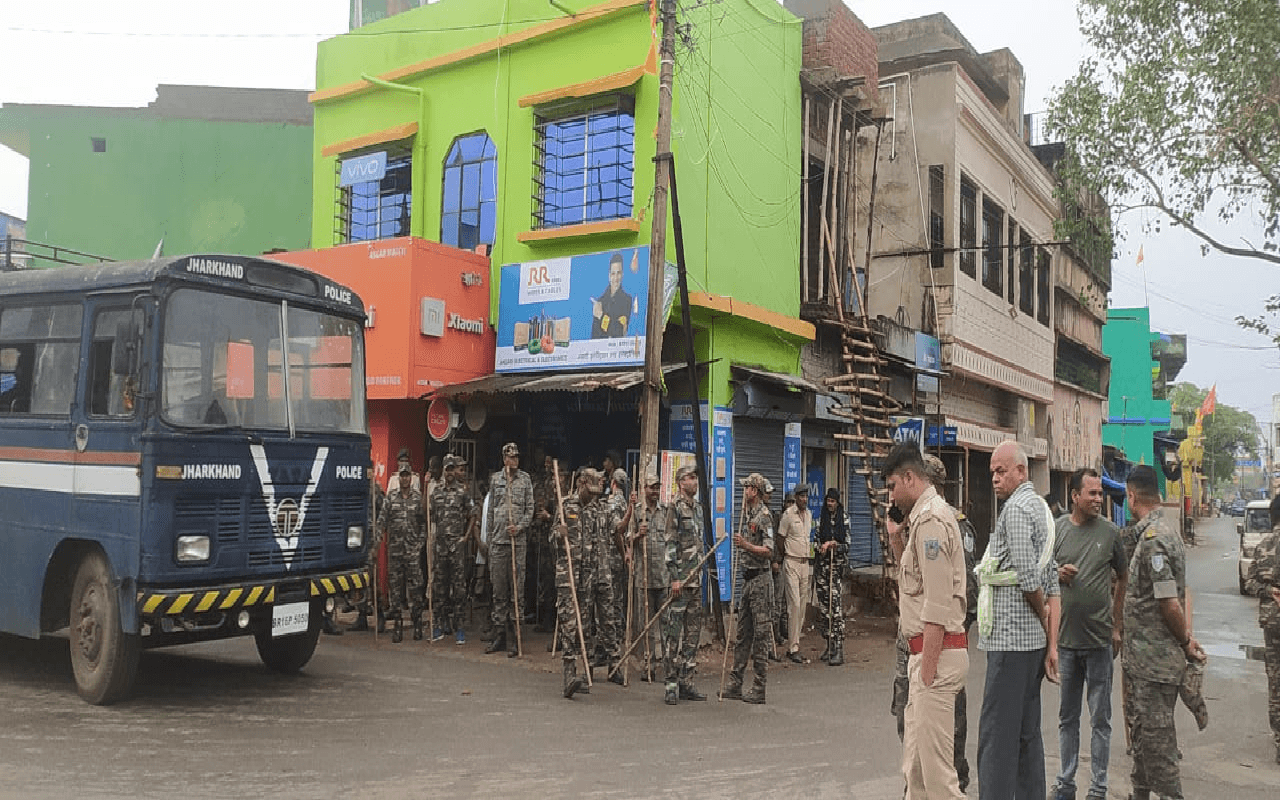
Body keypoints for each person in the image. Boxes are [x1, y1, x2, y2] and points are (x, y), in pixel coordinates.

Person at [882, 444, 968, 800]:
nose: (891, 495)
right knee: (915, 774)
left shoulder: (932, 519)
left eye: (892, 486)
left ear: (909, 478)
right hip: (924, 657)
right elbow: (913, 584)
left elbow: (936, 603)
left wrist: (927, 673)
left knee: (939, 781)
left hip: (936, 655)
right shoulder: (919, 520)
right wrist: (894, 536)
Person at [976, 440, 1060, 800]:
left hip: (1011, 644)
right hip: (1033, 648)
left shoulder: (1015, 510)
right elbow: (1053, 581)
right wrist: (1052, 644)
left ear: (1021, 471)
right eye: (992, 472)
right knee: (1027, 734)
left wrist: (1042, 619)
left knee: (996, 738)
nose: (995, 479)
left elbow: (1029, 578)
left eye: (1001, 471)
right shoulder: (1042, 510)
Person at [1121, 464, 1206, 800]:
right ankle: (1139, 793)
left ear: (1131, 495)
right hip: (1143, 665)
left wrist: (1186, 641)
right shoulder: (1158, 532)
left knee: (1159, 746)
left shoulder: (1155, 541)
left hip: (1153, 666)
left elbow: (1169, 602)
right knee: (1142, 740)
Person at [1052, 469, 1127, 800]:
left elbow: (1123, 578)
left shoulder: (1111, 533)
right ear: (1074, 497)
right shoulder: (1057, 531)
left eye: (1100, 494)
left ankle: (1098, 787)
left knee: (1100, 720)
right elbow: (1041, 575)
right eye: (1092, 493)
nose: (1099, 499)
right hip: (1066, 642)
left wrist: (1116, 625)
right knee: (1067, 718)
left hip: (1099, 641)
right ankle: (1066, 783)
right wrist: (1056, 573)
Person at [722, 472, 775, 704]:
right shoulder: (746, 514)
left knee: (760, 636)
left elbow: (769, 550)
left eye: (746, 488)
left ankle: (759, 687)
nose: (744, 492)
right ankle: (735, 682)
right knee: (743, 634)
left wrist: (746, 545)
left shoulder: (763, 515)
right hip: (747, 580)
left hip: (761, 582)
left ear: (754, 490)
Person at [662, 464, 707, 704]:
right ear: (681, 483)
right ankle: (670, 683)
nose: (694, 482)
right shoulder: (675, 508)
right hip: (681, 581)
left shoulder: (697, 509)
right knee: (674, 634)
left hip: (696, 580)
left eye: (695, 478)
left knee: (692, 635)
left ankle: (687, 681)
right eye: (690, 478)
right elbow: (670, 543)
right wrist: (675, 577)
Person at [485, 443, 534, 657]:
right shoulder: (496, 479)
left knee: (516, 592)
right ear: (504, 459)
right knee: (499, 592)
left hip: (517, 543)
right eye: (510, 458)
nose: (513, 461)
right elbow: (490, 512)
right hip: (498, 542)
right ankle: (499, 636)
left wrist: (520, 526)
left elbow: (530, 509)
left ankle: (516, 638)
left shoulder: (525, 479)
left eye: (516, 457)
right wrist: (488, 541)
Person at [622, 468, 669, 682]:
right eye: (651, 487)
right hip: (644, 578)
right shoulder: (637, 512)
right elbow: (626, 540)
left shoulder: (666, 512)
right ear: (644, 489)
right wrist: (638, 536)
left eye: (657, 487)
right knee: (647, 626)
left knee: (667, 624)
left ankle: (668, 665)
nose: (655, 491)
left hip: (663, 577)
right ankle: (649, 665)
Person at [1244, 493, 1280, 764]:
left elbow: (1250, 583)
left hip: (1272, 622)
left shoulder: (1262, 546)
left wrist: (1269, 591)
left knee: (1275, 679)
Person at [553, 468, 595, 699]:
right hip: (567, 573)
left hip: (586, 574)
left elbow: (597, 542)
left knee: (584, 624)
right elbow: (551, 537)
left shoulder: (595, 510)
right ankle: (568, 674)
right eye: (590, 490)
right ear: (581, 484)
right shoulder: (565, 505)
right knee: (569, 622)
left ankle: (584, 671)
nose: (593, 496)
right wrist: (559, 534)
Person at [377, 466, 427, 643]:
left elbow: (423, 525)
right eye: (402, 476)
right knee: (396, 591)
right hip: (395, 552)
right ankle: (397, 625)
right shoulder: (390, 498)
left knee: (416, 590)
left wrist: (419, 545)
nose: (405, 479)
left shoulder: (417, 498)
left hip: (412, 553)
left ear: (411, 478)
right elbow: (381, 521)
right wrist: (377, 541)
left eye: (407, 476)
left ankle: (417, 623)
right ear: (399, 478)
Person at [430, 454, 475, 644]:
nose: (449, 473)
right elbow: (430, 516)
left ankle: (460, 629)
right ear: (443, 470)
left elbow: (473, 514)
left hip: (456, 549)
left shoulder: (462, 492)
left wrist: (465, 537)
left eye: (451, 469)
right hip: (440, 548)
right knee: (439, 588)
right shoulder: (436, 493)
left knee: (459, 590)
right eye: (446, 469)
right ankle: (439, 626)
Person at [777, 484, 813, 664]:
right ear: (796, 497)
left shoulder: (809, 515)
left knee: (803, 606)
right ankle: (793, 648)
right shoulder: (787, 515)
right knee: (795, 605)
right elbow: (780, 538)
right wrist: (783, 557)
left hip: (805, 563)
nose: (804, 500)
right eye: (801, 497)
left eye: (806, 496)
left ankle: (796, 642)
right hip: (791, 561)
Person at [816, 487, 849, 667]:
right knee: (824, 610)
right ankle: (829, 645)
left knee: (835, 609)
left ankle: (839, 647)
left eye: (833, 501)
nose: (830, 504)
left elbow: (847, 545)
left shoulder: (844, 519)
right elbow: (815, 539)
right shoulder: (820, 518)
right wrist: (820, 548)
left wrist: (834, 544)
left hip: (835, 570)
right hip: (822, 570)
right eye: (828, 501)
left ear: (837, 502)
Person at [605, 469, 631, 664]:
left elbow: (617, 532)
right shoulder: (624, 502)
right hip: (620, 558)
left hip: (614, 558)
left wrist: (623, 554)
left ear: (613, 482)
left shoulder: (614, 502)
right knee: (617, 600)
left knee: (611, 602)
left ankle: (610, 646)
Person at [591, 251, 635, 338]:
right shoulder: (601, 301)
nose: (616, 278)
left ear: (622, 274)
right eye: (613, 273)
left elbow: (618, 333)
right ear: (609, 276)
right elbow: (594, 336)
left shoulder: (627, 300)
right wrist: (596, 319)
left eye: (618, 273)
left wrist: (601, 316)